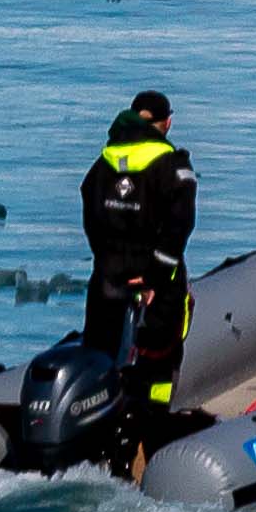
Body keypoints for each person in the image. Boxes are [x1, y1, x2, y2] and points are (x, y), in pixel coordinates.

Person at [80, 90, 196, 475]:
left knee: (110, 367)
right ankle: (156, 452)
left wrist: (111, 262)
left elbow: (91, 214)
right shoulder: (170, 166)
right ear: (166, 123)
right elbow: (179, 228)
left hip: (107, 285)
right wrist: (154, 277)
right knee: (158, 368)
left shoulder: (105, 161)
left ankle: (110, 458)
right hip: (153, 291)